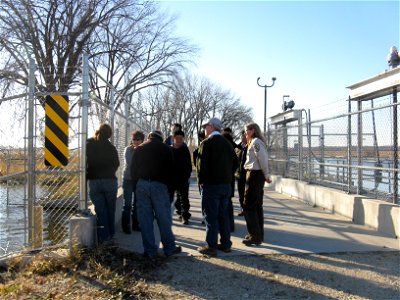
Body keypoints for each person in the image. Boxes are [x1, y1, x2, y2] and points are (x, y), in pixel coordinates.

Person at [131, 130, 181, 258]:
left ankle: (150, 251)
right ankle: (169, 248)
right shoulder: (166, 149)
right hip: (160, 185)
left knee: (145, 220)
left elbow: (133, 170)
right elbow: (172, 172)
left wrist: (136, 187)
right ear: (161, 138)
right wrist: (170, 190)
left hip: (142, 184)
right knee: (163, 219)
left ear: (149, 137)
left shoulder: (139, 149)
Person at [196, 118, 238, 256]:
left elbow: (201, 165)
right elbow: (236, 163)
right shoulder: (227, 143)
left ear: (211, 126)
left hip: (211, 185)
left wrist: (201, 180)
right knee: (223, 216)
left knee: (210, 216)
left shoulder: (207, 143)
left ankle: (211, 246)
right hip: (225, 185)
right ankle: (226, 244)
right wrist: (227, 174)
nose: (204, 129)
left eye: (205, 126)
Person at [86, 123, 120, 245]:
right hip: (110, 181)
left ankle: (104, 238)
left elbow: (85, 162)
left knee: (101, 210)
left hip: (94, 181)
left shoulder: (89, 144)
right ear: (109, 135)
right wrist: (109, 172)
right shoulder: (111, 148)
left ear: (98, 131)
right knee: (110, 209)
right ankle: (111, 235)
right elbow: (117, 163)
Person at [242, 122, 272, 246]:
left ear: (252, 130)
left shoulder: (256, 143)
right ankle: (257, 234)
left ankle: (255, 236)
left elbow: (263, 159)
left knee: (248, 205)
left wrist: (266, 174)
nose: (245, 133)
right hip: (254, 174)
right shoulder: (253, 142)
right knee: (256, 205)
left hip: (255, 175)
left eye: (246, 131)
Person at [121, 130, 145, 234]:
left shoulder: (144, 150)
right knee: (127, 204)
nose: (135, 141)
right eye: (134, 139)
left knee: (137, 204)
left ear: (142, 140)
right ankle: (126, 226)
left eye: (138, 139)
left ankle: (135, 224)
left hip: (138, 180)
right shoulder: (128, 149)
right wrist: (137, 151)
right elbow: (130, 162)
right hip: (128, 179)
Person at [170, 130, 193, 225]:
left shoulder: (185, 150)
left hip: (182, 179)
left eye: (181, 138)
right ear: (173, 138)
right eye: (177, 138)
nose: (179, 140)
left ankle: (185, 216)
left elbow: (188, 165)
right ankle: (168, 215)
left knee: (184, 199)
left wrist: (186, 176)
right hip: (170, 179)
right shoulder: (169, 149)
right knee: (169, 199)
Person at [235, 130, 248, 217]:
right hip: (239, 174)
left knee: (247, 193)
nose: (242, 137)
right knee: (240, 193)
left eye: (244, 136)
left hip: (247, 174)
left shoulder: (250, 147)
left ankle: (247, 209)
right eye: (242, 136)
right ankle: (242, 209)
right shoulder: (237, 147)